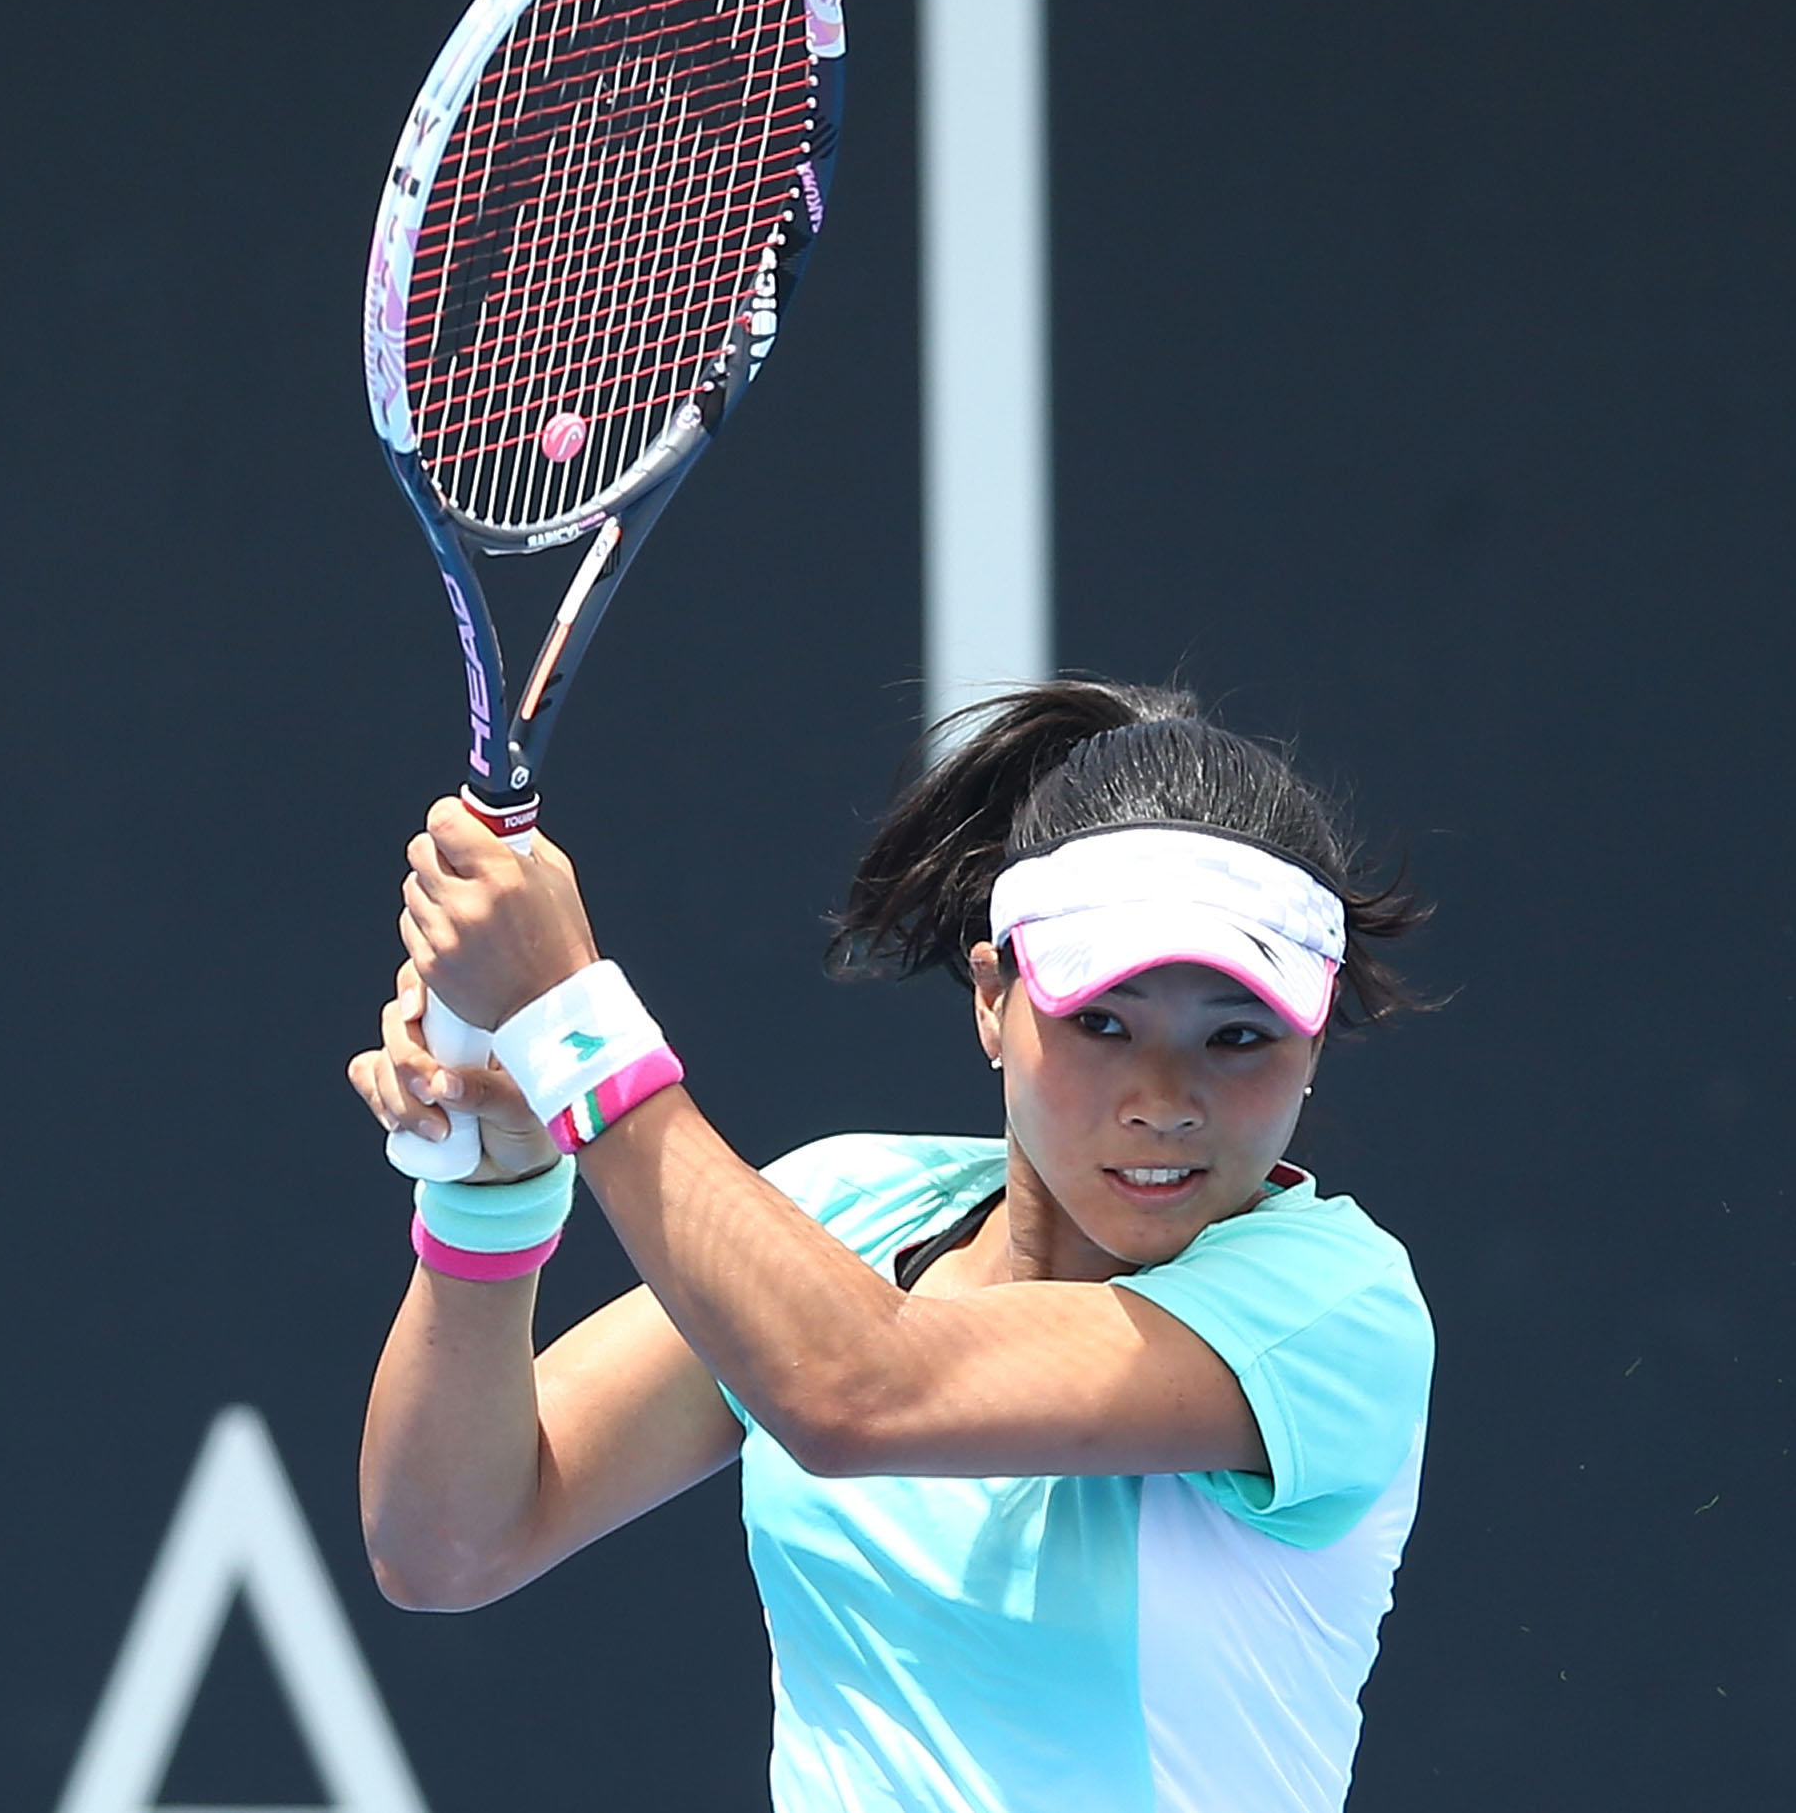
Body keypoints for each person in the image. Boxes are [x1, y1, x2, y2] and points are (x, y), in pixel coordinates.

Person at [348, 680, 1434, 1813]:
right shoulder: (841, 1213)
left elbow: (855, 1392)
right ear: (991, 1001)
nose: (1164, 1099)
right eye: (1102, 1021)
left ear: (1313, 1043)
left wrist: (570, 1018)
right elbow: (446, 1544)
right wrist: (497, 1183)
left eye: (1239, 1036)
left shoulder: (1333, 1314)